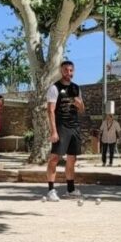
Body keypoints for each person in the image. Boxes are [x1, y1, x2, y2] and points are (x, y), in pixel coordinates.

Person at [45, 61, 85, 201]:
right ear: (61, 71)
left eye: (71, 70)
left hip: (74, 126)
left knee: (72, 159)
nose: (69, 73)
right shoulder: (54, 88)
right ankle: (51, 190)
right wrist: (53, 131)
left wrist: (79, 105)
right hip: (61, 126)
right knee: (55, 158)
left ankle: (70, 190)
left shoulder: (76, 88)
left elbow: (82, 109)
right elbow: (50, 111)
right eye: (66, 70)